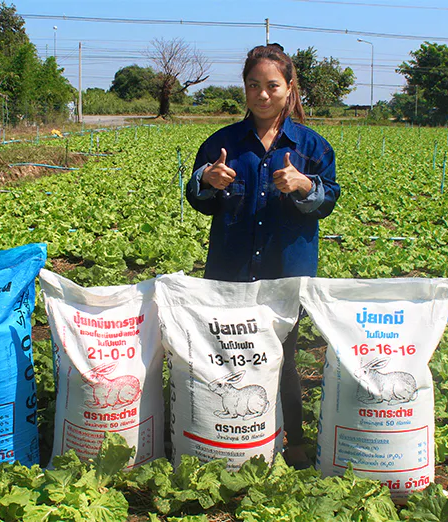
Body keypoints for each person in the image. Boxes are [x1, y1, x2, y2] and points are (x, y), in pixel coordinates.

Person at [186, 43, 340, 469]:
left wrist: (305, 186)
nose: (262, 94)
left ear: (289, 89)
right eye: (254, 86)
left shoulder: (311, 146)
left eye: (272, 85)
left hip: (286, 273)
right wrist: (208, 180)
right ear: (245, 90)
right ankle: (223, 435)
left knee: (283, 357)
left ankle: (294, 438)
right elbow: (198, 198)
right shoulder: (223, 143)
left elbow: (328, 200)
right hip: (231, 271)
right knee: (230, 356)